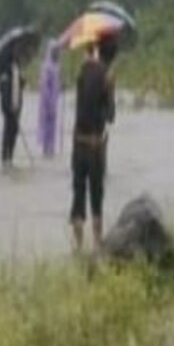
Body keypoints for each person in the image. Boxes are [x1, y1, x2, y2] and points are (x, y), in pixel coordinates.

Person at [69, 33, 118, 253]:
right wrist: (110, 89)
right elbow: (110, 116)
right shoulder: (105, 75)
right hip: (95, 146)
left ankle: (78, 249)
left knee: (78, 194)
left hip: (78, 144)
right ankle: (97, 246)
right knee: (96, 197)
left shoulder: (81, 72)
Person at [0, 42, 26, 168]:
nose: (16, 52)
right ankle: (5, 158)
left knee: (14, 131)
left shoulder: (17, 66)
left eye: (17, 49)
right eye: (14, 49)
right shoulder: (4, 68)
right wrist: (8, 106)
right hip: (8, 106)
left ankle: (11, 157)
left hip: (17, 103)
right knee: (7, 131)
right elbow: (2, 89)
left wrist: (22, 82)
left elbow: (18, 84)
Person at [37, 39, 62, 160]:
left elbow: (57, 84)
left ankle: (51, 149)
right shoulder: (46, 67)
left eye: (58, 50)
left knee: (53, 128)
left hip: (54, 102)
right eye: (55, 51)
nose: (57, 53)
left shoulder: (56, 66)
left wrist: (62, 87)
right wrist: (49, 103)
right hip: (46, 103)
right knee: (46, 127)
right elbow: (44, 86)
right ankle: (46, 150)